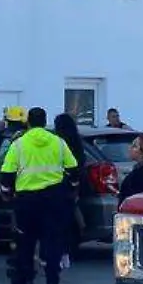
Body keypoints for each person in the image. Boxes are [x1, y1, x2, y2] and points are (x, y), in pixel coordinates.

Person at [0, 107, 78, 284]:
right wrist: (72, 187)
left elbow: (7, 173)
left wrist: (6, 191)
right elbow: (73, 169)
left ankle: (27, 279)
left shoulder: (18, 144)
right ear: (45, 122)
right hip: (54, 197)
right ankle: (52, 282)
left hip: (27, 200)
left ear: (28, 122)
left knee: (26, 240)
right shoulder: (58, 142)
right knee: (52, 240)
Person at [52, 112, 91, 269]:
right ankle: (67, 253)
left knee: (55, 222)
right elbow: (79, 164)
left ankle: (58, 254)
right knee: (68, 220)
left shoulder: (58, 142)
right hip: (73, 186)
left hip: (58, 185)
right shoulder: (77, 141)